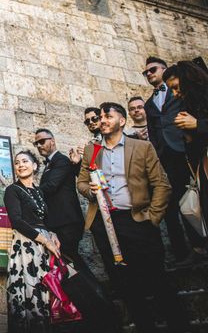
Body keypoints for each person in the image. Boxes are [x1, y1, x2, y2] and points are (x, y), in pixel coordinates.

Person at [77, 102, 190, 333]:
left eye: (108, 116)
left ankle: (178, 325)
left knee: (158, 279)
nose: (102, 120)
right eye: (100, 116)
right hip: (108, 225)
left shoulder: (142, 147)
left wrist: (153, 217)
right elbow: (81, 182)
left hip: (138, 221)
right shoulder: (92, 151)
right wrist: (92, 190)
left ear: (122, 120)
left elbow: (162, 185)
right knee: (127, 285)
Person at [143, 56, 202, 264]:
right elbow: (152, 131)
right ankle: (194, 248)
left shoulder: (181, 90)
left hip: (187, 148)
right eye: (146, 72)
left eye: (153, 70)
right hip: (166, 156)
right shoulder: (149, 104)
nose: (149, 74)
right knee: (182, 200)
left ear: (165, 69)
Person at [4, 150, 60, 332]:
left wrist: (53, 234)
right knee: (30, 289)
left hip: (44, 244)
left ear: (35, 166)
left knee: (47, 289)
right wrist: (45, 240)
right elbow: (17, 221)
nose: (21, 165)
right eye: (17, 162)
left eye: (25, 161)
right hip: (26, 243)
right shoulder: (12, 190)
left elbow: (46, 219)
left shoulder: (39, 191)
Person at [33, 129, 88, 275]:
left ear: (52, 141)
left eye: (42, 141)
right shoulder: (50, 164)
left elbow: (51, 186)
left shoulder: (61, 160)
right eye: (36, 143)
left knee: (72, 261)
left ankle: (95, 294)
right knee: (67, 263)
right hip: (58, 223)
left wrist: (29, 192)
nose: (39, 145)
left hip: (67, 222)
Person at [163, 61, 208, 237]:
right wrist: (189, 135)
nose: (175, 94)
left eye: (175, 87)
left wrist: (197, 124)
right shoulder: (188, 105)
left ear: (189, 79)